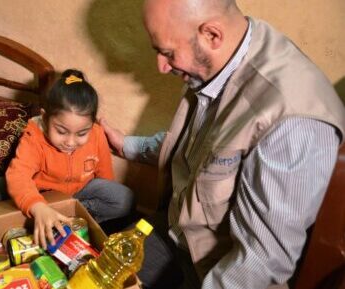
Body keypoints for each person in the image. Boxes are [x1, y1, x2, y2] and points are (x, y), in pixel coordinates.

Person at [100, 0, 345, 288]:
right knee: (96, 272)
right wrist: (128, 145)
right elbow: (197, 147)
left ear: (212, 35)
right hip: (176, 232)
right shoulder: (224, 54)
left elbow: (259, 261)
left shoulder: (292, 122)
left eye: (167, 53)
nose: (162, 66)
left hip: (216, 271)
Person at [0, 69, 134, 249]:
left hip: (80, 193)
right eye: (61, 131)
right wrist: (37, 206)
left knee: (124, 198)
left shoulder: (97, 134)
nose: (71, 142)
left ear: (91, 125)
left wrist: (94, 201)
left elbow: (105, 176)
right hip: (42, 194)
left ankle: (64, 217)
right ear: (45, 118)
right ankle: (46, 217)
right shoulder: (34, 138)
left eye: (82, 133)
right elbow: (18, 175)